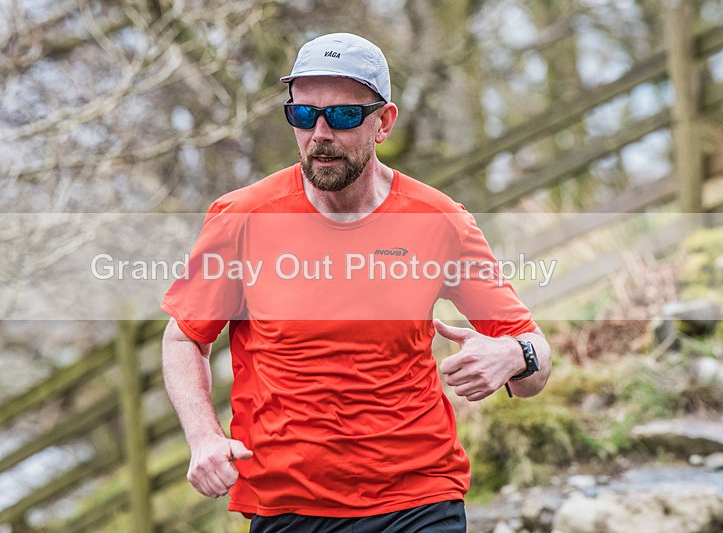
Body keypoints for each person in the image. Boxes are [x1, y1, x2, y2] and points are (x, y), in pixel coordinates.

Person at [161, 32, 551, 533]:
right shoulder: (242, 218)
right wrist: (203, 437)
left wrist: (517, 356)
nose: (320, 132)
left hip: (419, 497)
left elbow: (536, 358)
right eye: (303, 115)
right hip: (289, 506)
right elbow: (183, 336)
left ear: (383, 122)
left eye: (343, 116)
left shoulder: (439, 221)